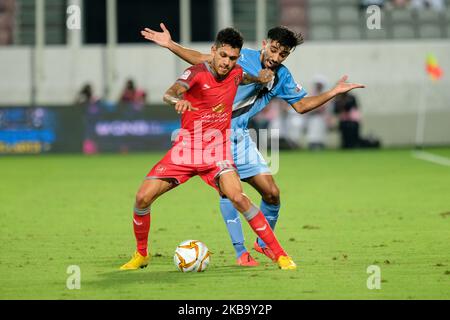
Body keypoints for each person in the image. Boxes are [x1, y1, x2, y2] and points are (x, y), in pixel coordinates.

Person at [141, 23, 364, 266]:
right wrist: (171, 45)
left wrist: (333, 92)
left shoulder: (282, 76)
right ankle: (240, 253)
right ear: (264, 44)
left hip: (241, 138)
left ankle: (262, 244)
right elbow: (201, 59)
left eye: (283, 54)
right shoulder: (240, 57)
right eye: (275, 50)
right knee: (230, 193)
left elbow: (301, 105)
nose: (277, 57)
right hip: (214, 135)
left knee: (272, 193)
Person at [120, 27, 296, 271]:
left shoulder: (236, 73)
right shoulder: (195, 73)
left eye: (233, 58)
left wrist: (258, 79)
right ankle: (141, 255)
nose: (227, 63)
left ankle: (280, 255)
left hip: (217, 151)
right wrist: (177, 100)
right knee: (142, 197)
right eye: (223, 56)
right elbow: (170, 94)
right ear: (213, 51)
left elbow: (243, 77)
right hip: (186, 150)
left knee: (239, 197)